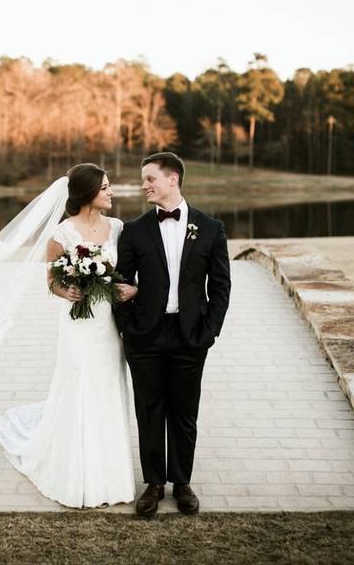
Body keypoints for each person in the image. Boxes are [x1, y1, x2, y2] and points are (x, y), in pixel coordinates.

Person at [0, 163, 139, 508]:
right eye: (105, 188)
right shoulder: (62, 235)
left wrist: (131, 289)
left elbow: (129, 271)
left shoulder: (117, 228)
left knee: (107, 386)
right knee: (80, 386)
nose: (111, 193)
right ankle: (76, 474)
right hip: (78, 326)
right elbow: (51, 281)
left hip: (109, 326)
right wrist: (68, 292)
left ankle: (110, 474)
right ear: (89, 192)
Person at [112, 151, 232, 518]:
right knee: (149, 411)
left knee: (184, 412)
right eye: (143, 179)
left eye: (150, 178)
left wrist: (208, 332)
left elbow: (221, 286)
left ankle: (182, 483)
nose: (143, 185)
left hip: (190, 336)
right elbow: (119, 282)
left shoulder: (211, 228)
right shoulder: (133, 230)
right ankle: (153, 484)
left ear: (172, 179)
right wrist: (128, 327)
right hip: (144, 337)